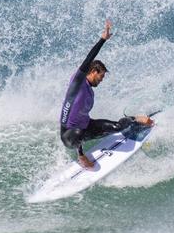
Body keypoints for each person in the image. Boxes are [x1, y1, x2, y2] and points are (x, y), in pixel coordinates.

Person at [59, 19, 153, 169]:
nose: (101, 80)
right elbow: (88, 59)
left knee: (116, 127)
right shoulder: (78, 82)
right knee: (77, 134)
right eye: (101, 76)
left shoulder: (90, 90)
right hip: (68, 135)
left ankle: (133, 120)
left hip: (85, 128)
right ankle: (81, 155)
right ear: (93, 71)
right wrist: (103, 39)